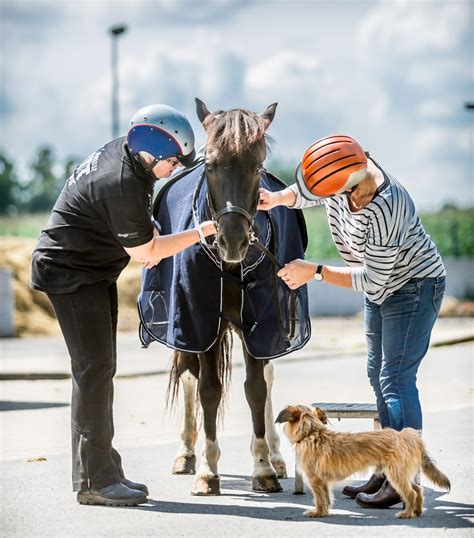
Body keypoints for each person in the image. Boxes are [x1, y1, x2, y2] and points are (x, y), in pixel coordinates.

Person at [30, 104, 216, 506]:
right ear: (151, 153)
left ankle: (102, 471)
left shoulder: (127, 156)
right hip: (71, 273)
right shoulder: (121, 181)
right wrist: (200, 232)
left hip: (93, 270)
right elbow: (146, 251)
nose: (173, 170)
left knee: (99, 369)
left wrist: (148, 235)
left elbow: (140, 230)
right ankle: (95, 482)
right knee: (93, 371)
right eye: (171, 163)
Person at [258, 134, 446, 509]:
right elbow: (309, 191)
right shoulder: (340, 175)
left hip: (412, 287)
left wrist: (315, 271)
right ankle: (386, 462)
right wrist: (279, 198)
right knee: (378, 373)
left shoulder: (389, 205)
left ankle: (402, 475)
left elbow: (372, 278)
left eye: (348, 196)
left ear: (358, 180)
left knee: (396, 378)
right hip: (382, 290)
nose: (344, 202)